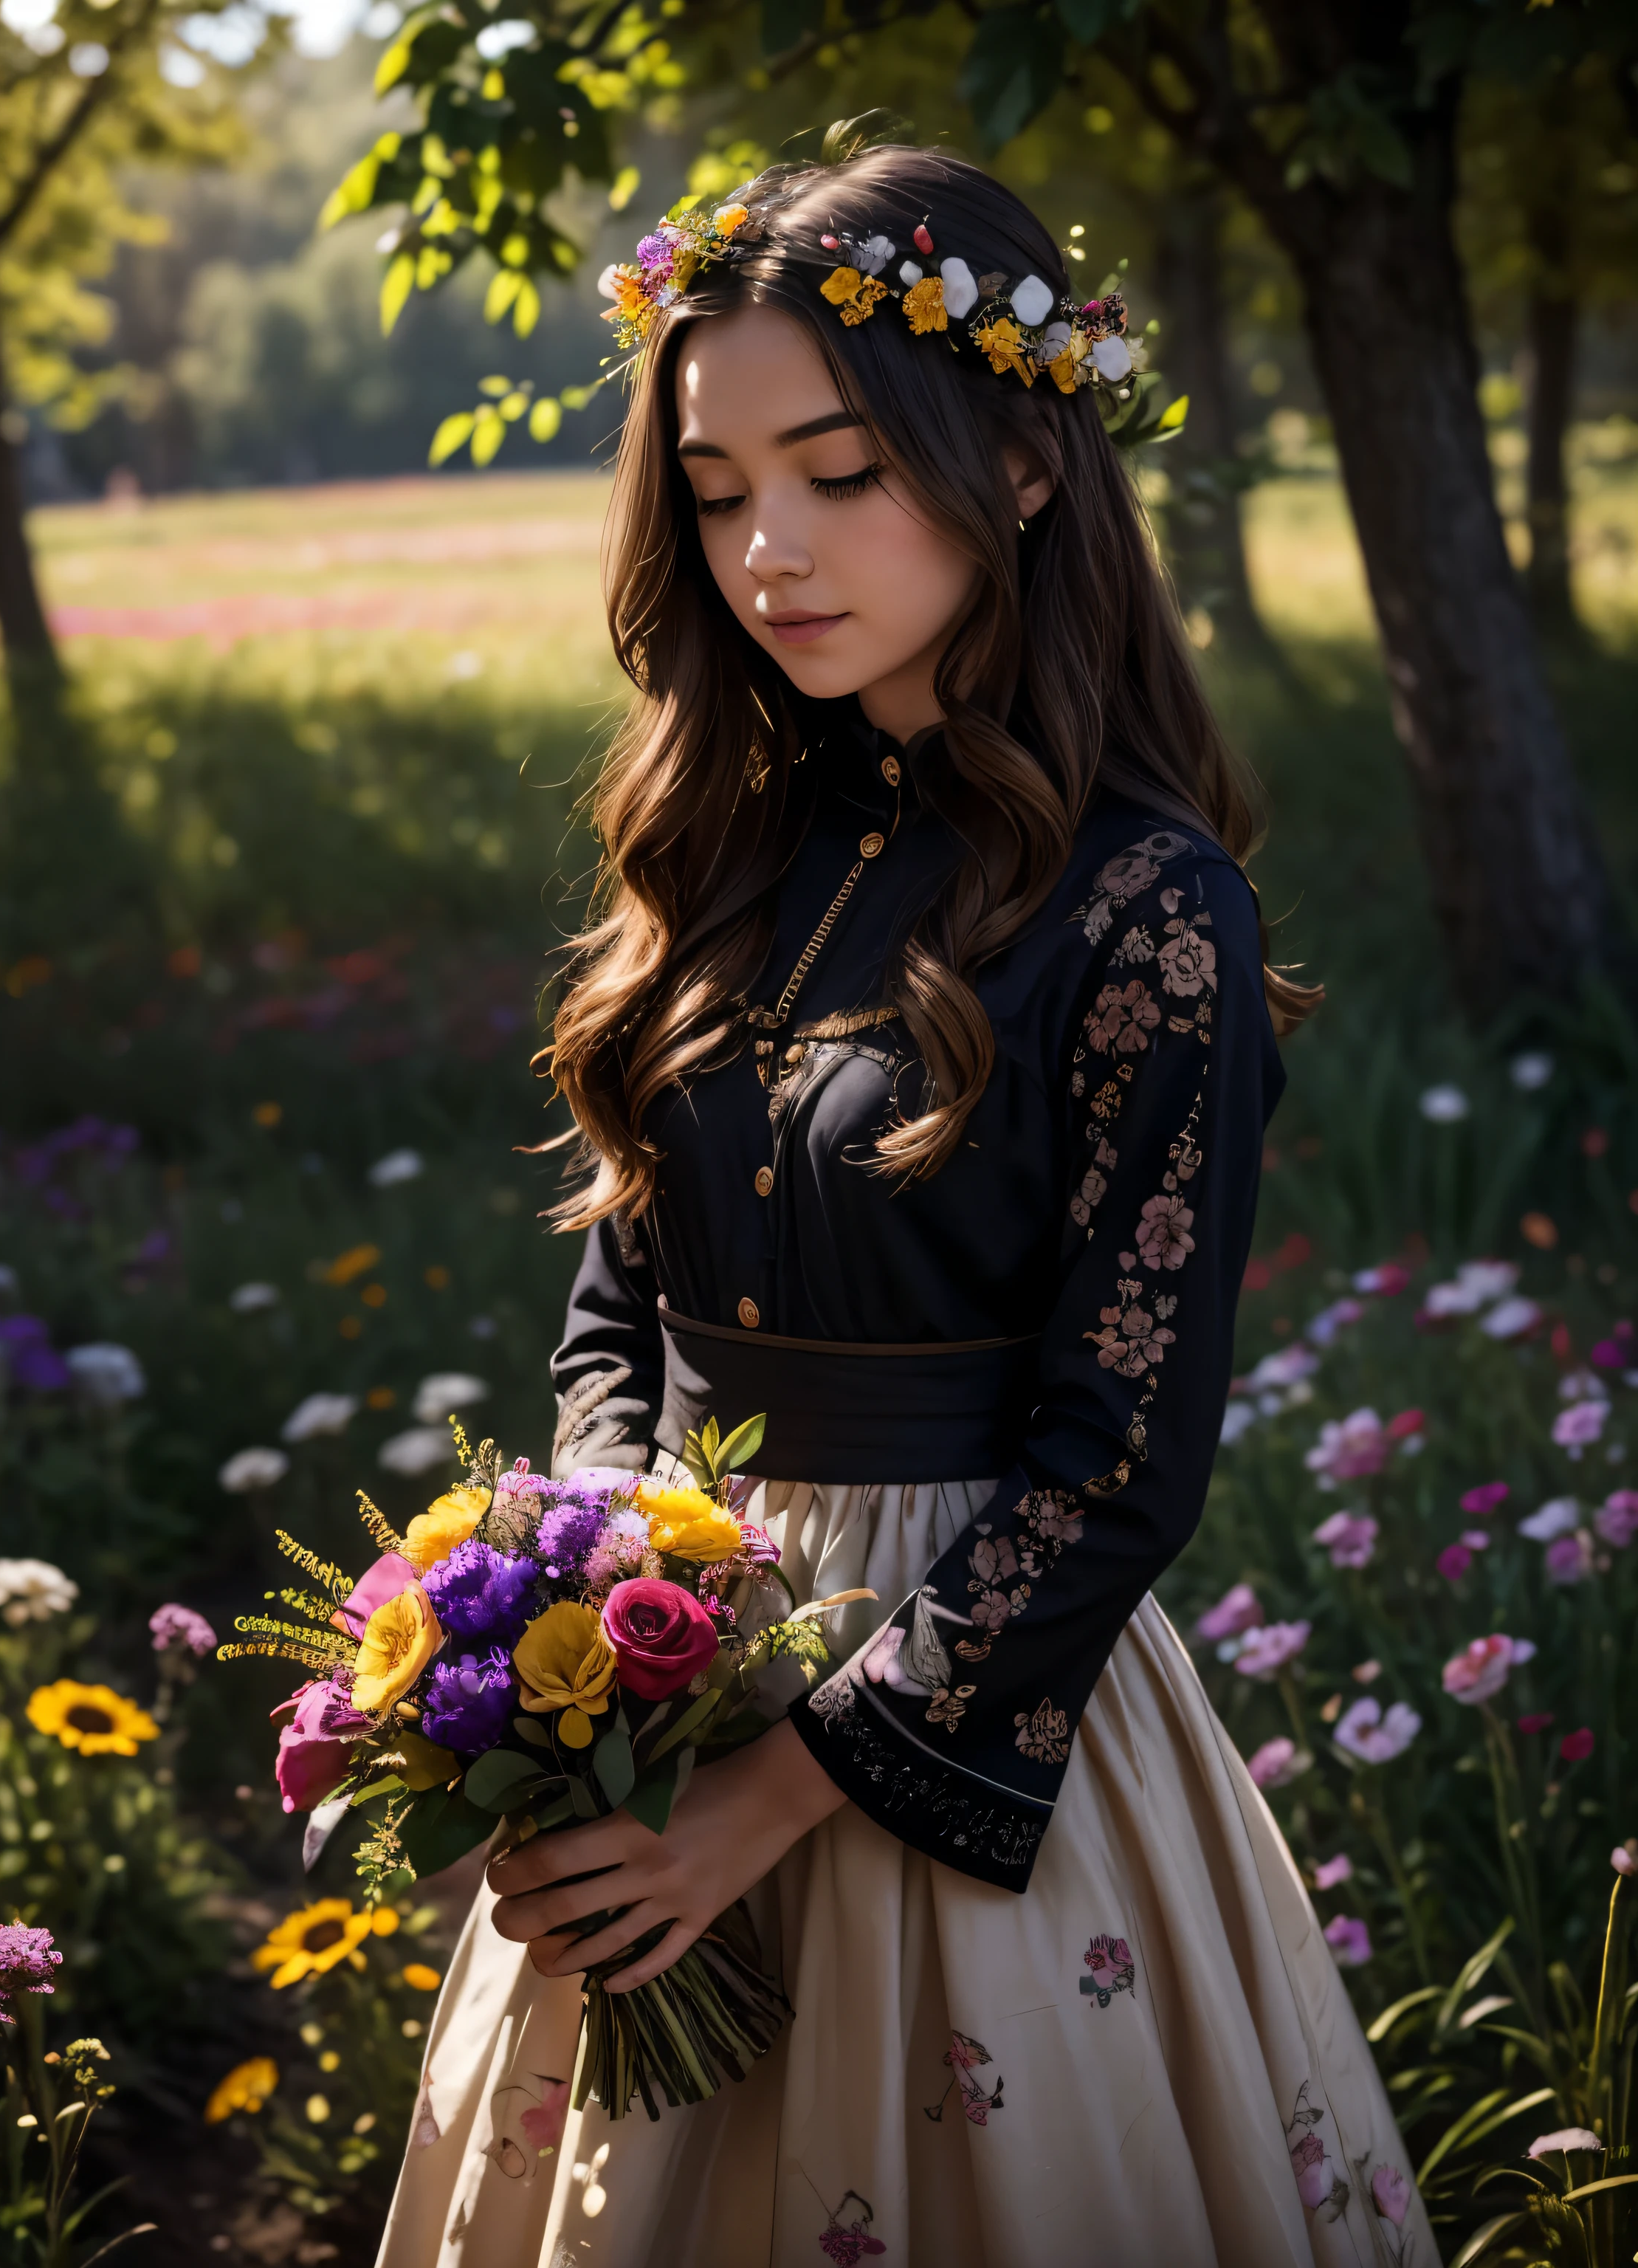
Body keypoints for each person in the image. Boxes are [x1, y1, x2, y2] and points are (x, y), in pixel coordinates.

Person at [376, 138, 1436, 2268]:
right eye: (715, 484)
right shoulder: (724, 864)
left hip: (966, 1736)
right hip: (662, 1738)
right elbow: (622, 1317)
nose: (769, 546)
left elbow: (1117, 1465)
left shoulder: (1152, 912)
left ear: (1024, 466)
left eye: (841, 470)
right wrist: (594, 1623)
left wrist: (756, 1805)